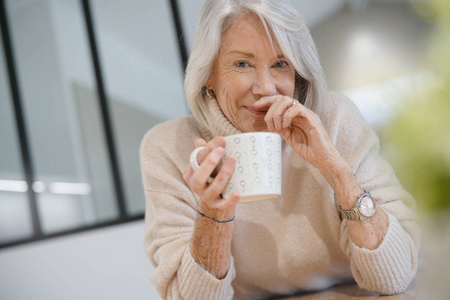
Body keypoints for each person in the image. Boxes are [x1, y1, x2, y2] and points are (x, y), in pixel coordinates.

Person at [140, 0, 419, 299]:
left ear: (298, 73)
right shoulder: (169, 147)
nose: (265, 88)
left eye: (280, 64)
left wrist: (337, 172)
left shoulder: (335, 119)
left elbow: (396, 276)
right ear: (208, 73)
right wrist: (213, 214)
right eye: (242, 64)